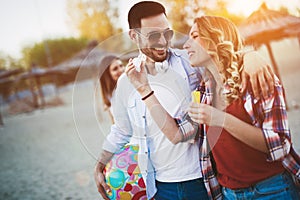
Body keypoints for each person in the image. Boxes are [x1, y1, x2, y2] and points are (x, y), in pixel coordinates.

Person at [94, 1, 275, 199]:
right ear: (134, 36)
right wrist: (101, 163)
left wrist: (250, 56)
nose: (163, 41)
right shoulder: (125, 82)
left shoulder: (190, 62)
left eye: (167, 33)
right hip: (160, 185)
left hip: (203, 178)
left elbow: (223, 60)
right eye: (154, 35)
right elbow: (121, 129)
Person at [184, 15, 300, 199]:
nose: (186, 45)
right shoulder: (203, 91)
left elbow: (279, 144)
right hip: (229, 194)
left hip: (273, 190)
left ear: (216, 38)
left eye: (195, 36)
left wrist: (220, 119)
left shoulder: (256, 78)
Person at [99, 55, 125, 122]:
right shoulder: (109, 96)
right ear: (108, 75)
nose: (121, 70)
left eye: (121, 65)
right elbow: (114, 122)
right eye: (115, 69)